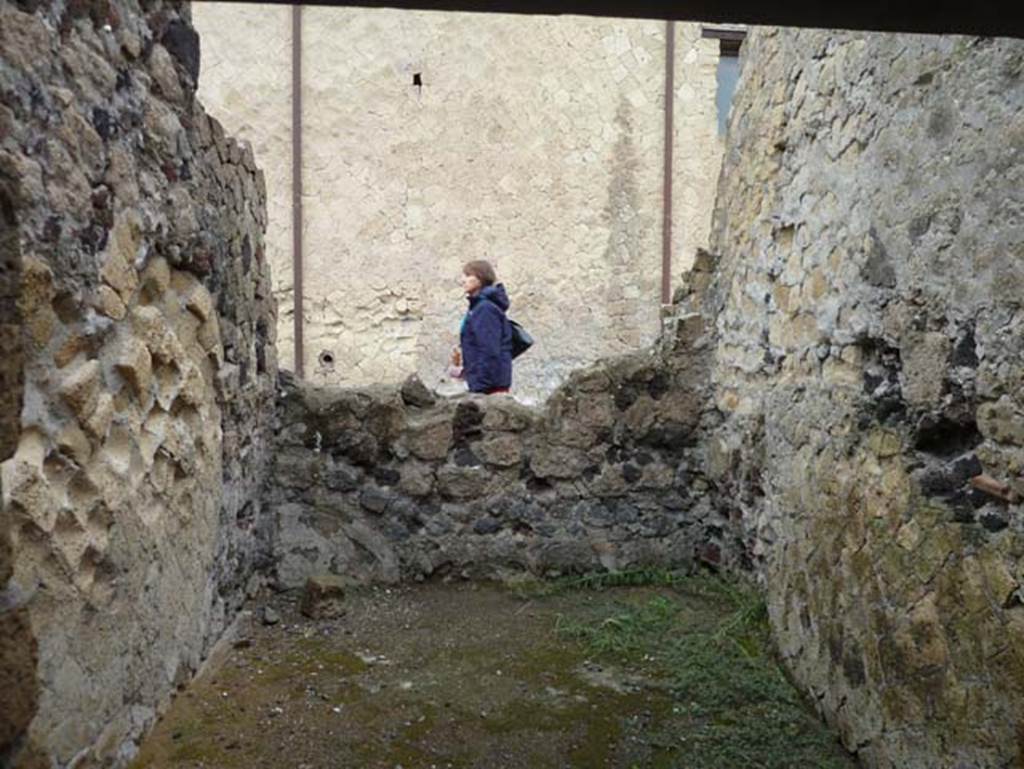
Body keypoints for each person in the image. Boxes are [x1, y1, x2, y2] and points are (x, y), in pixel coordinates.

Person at [450, 260, 513, 394]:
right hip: (485, 383)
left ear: (480, 278)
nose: (462, 280)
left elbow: (489, 350)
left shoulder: (485, 309)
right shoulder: (478, 307)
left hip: (489, 387)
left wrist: (480, 386)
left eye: (467, 276)